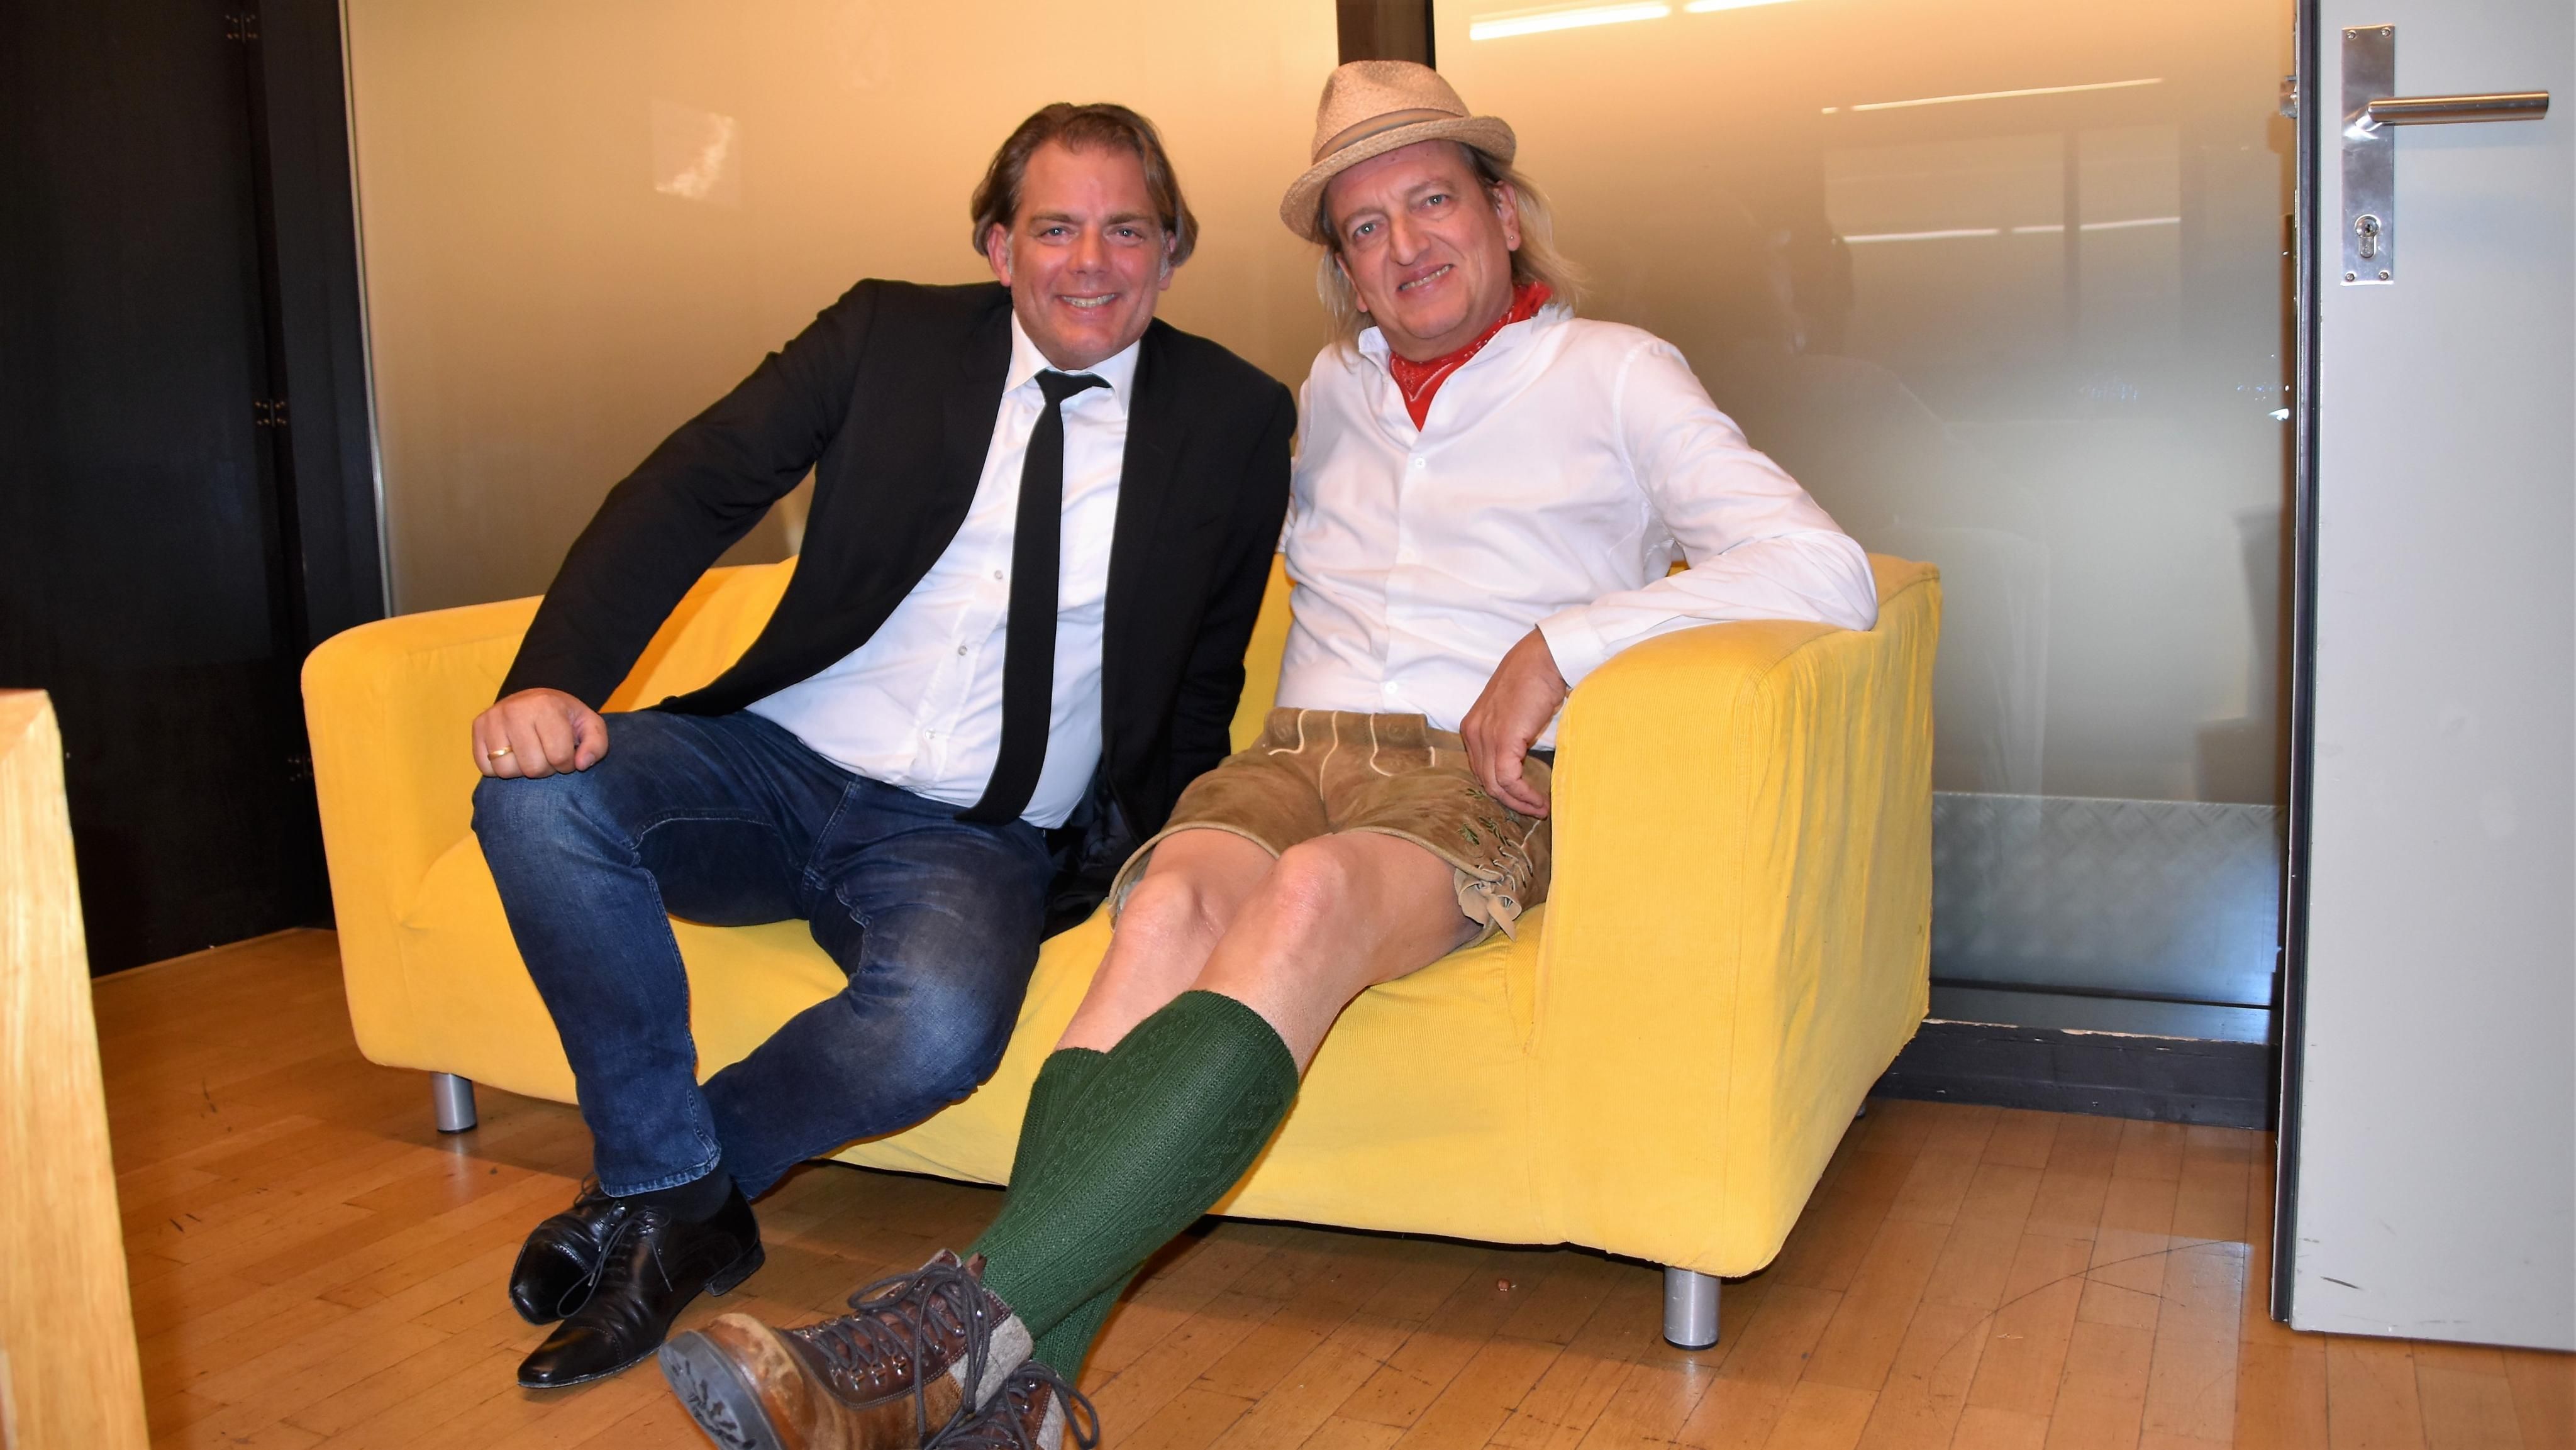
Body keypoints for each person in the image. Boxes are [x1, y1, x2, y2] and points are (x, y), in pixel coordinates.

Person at [653, 61, 1879, 1450]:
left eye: (1433, 202)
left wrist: (1565, 644)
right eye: (1365, 227)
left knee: (1304, 898)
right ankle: (1023, 1410)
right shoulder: (1331, 390)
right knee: (1167, 906)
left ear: (1503, 213)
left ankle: (931, 1338)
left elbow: (1822, 567)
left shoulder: (1615, 372)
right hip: (1289, 755)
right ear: (1343, 269)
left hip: (1460, 777)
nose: (1405, 245)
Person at [469, 101, 1294, 1392]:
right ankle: (667, 1189)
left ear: (1171, 253)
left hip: (974, 835)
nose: (1090, 263)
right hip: (772, 768)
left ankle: (663, 1199)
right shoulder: (883, 338)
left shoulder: (1233, 417)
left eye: (1128, 231)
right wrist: (553, 679)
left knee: (940, 1027)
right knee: (533, 800)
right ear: (997, 247)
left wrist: (1166, 849)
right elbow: (694, 485)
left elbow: (1204, 672)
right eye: (1055, 229)